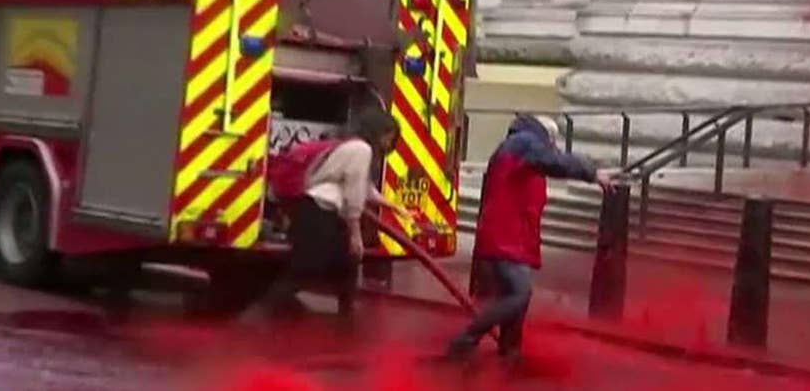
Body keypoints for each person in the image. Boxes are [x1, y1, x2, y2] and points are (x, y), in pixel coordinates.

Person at [447, 114, 614, 361]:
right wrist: (591, 173)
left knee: (514, 296)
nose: (554, 146)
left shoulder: (521, 148)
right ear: (545, 135)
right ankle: (467, 338)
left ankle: (510, 349)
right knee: (519, 294)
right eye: (552, 141)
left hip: (511, 237)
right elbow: (554, 162)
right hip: (505, 238)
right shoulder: (525, 143)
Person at [254, 107, 410, 319]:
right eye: (390, 136)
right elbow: (354, 194)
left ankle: (345, 310)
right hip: (319, 212)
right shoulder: (361, 150)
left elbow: (364, 188)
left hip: (317, 210)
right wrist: (356, 234)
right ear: (380, 132)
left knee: (345, 262)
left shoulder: (351, 145)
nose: (390, 143)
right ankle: (264, 310)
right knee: (308, 266)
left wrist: (394, 207)